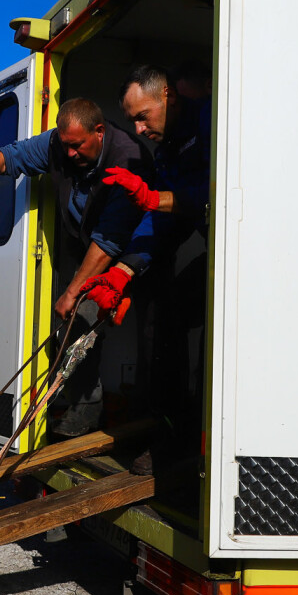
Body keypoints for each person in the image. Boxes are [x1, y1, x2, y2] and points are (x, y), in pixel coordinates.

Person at [0, 97, 151, 436]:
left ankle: (149, 421)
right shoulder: (58, 144)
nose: (69, 155)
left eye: (77, 146)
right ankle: (85, 412)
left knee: (146, 333)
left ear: (99, 131)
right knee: (76, 326)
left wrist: (71, 292)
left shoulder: (126, 157)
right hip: (90, 246)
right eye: (64, 145)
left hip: (136, 252)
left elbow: (110, 239)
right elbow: (10, 157)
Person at [82, 62, 211, 474]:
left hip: (254, 251)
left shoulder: (213, 119)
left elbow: (219, 187)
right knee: (162, 310)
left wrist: (157, 199)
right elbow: (161, 219)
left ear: (167, 95)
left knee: (204, 326)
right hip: (213, 248)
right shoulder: (170, 147)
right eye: (132, 121)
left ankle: (196, 441)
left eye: (143, 116)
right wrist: (123, 271)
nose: (138, 130)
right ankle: (171, 429)